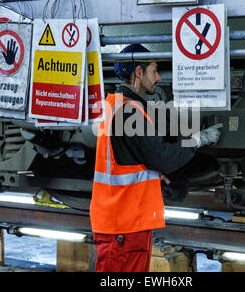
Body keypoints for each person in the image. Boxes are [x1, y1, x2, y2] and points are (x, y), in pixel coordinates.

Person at [89, 44, 222, 272]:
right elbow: (161, 157)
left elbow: (129, 157)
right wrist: (197, 140)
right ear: (138, 73)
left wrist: (154, 176)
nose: (159, 78)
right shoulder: (129, 110)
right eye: (154, 71)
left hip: (121, 219)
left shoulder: (114, 104)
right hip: (124, 224)